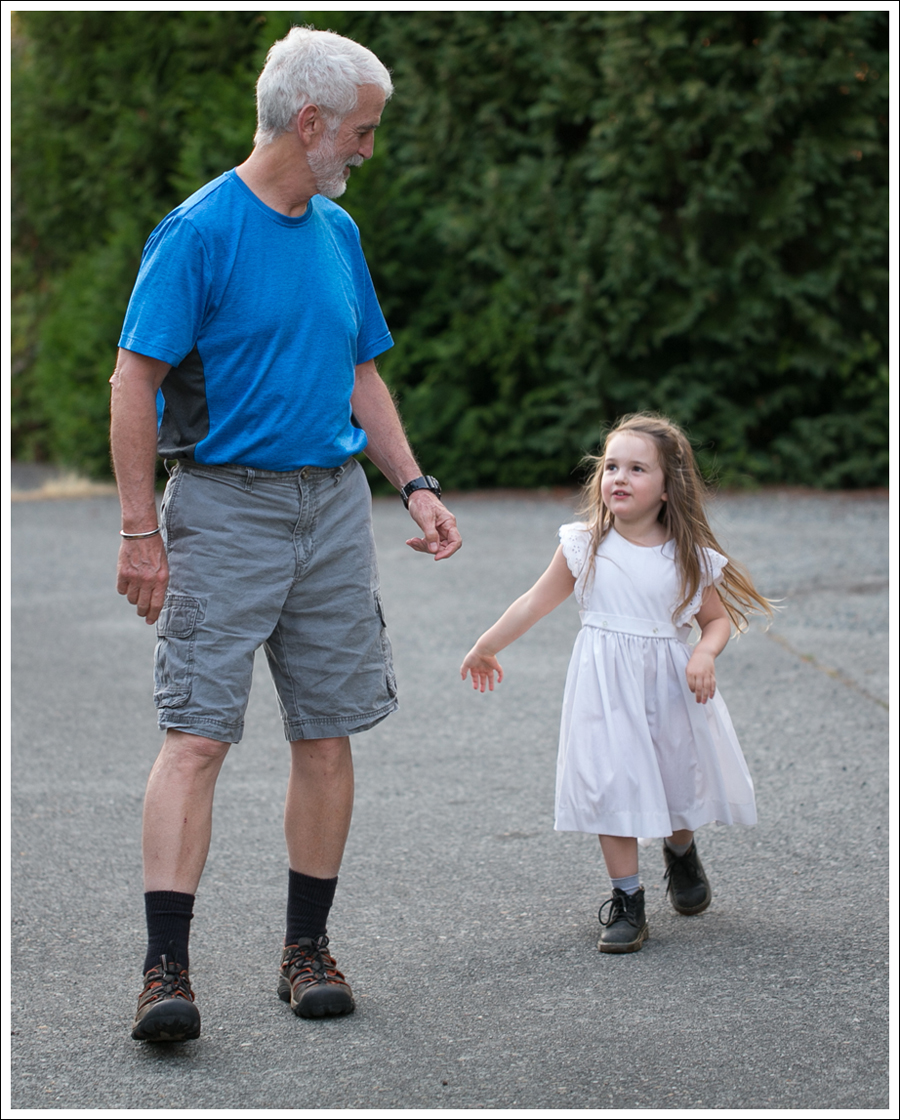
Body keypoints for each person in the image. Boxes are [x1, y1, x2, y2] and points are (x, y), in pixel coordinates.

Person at [111, 27, 461, 1042]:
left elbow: (362, 372)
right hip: (226, 511)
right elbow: (134, 379)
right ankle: (164, 972)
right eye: (359, 131)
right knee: (198, 736)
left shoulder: (335, 234)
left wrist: (415, 482)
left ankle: (306, 950)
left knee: (328, 730)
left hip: (334, 510)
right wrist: (142, 531)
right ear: (308, 123)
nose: (364, 148)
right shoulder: (199, 232)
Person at [460, 412, 773, 953]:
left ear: (669, 489)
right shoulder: (584, 544)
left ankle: (680, 851)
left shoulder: (688, 556)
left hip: (669, 690)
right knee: (613, 782)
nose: (619, 478)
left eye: (636, 469)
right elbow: (536, 600)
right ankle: (627, 898)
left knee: (673, 783)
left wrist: (704, 652)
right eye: (611, 466)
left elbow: (716, 620)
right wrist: (487, 643)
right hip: (605, 689)